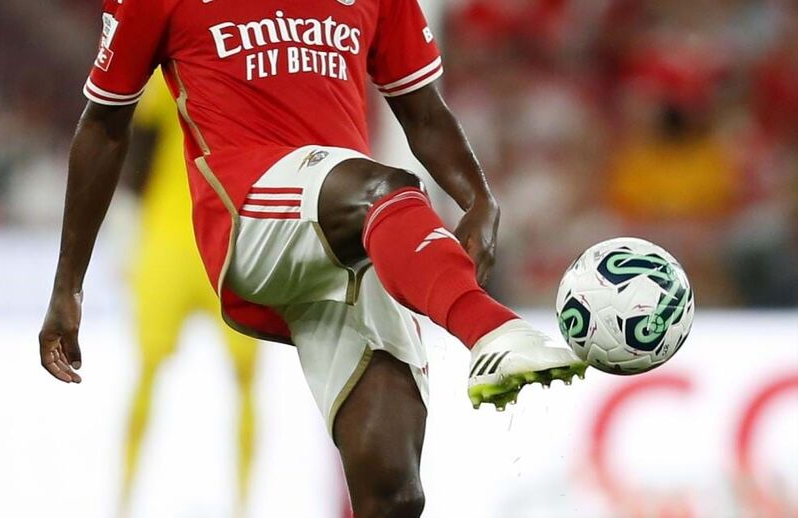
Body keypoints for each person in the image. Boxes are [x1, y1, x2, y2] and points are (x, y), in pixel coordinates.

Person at [39, 2, 586, 515]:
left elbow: (422, 111)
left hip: (350, 232)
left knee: (393, 489)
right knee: (387, 187)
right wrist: (68, 286)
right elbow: (105, 124)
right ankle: (492, 330)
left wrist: (479, 198)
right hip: (249, 214)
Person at [119, 72, 258, 516]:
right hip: (216, 245)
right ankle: (126, 499)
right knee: (157, 370)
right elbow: (139, 149)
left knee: (157, 370)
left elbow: (136, 155)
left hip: (194, 244)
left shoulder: (175, 76)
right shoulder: (176, 75)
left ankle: (240, 503)